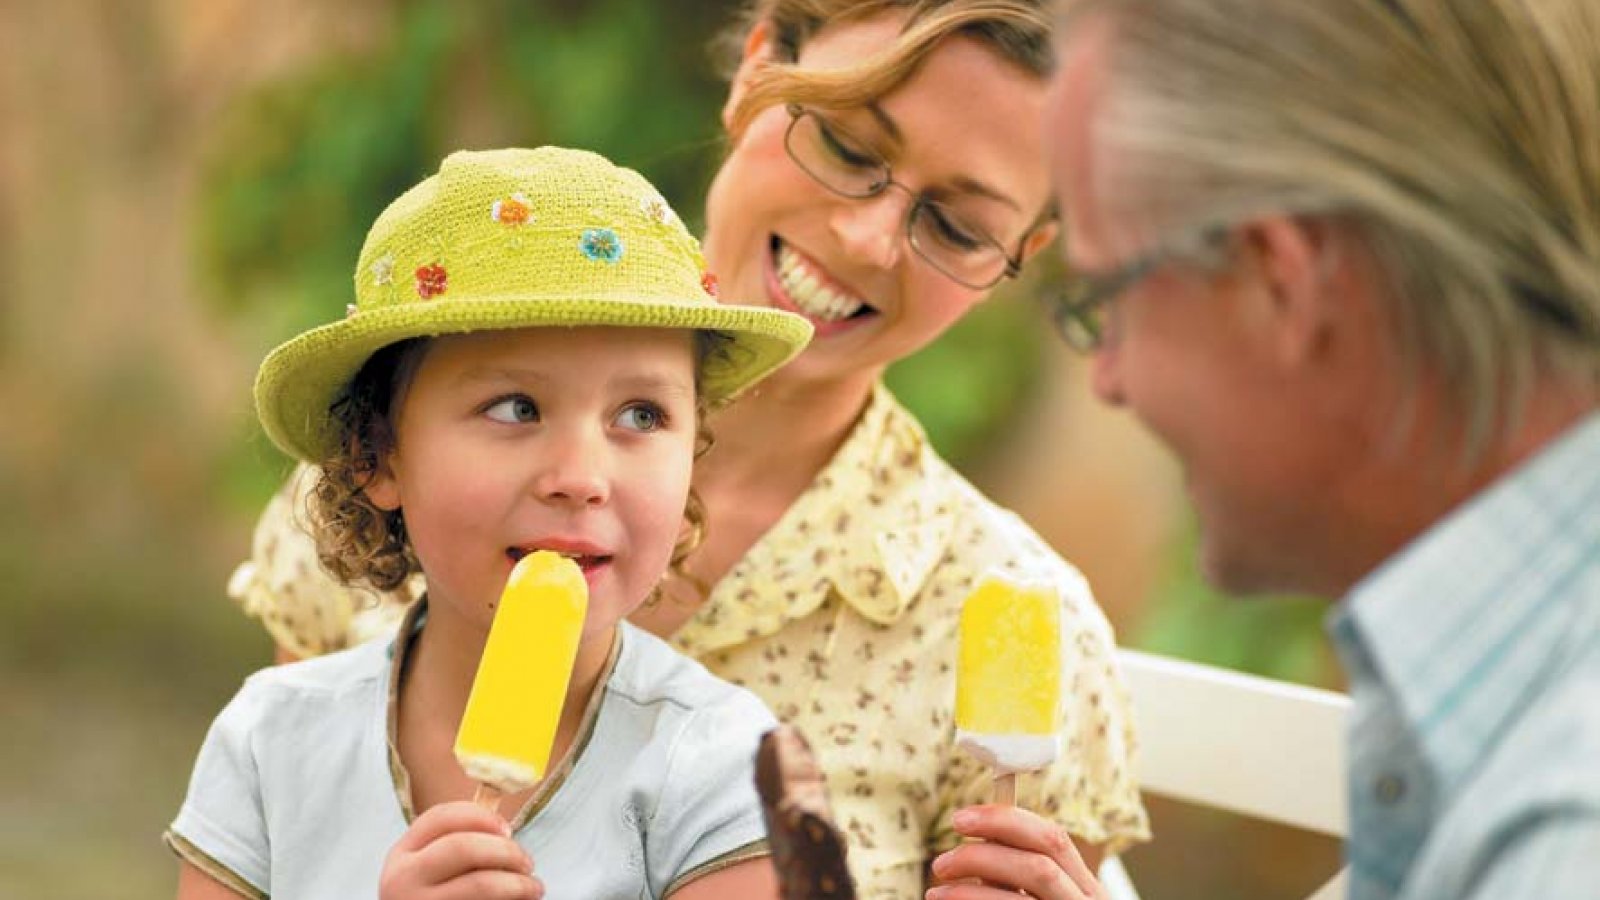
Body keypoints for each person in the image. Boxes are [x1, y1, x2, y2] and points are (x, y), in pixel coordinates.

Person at [228, 2, 1150, 897]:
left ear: (1019, 253)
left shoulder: (1002, 609)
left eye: (957, 225)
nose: (870, 240)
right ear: (755, 69)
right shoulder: (390, 471)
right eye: (848, 147)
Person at [1047, 1, 1600, 898]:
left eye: (1107, 297)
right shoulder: (1503, 705)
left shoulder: (1563, 829)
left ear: (1280, 278)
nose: (1108, 379)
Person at [167, 146, 816, 900]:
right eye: (516, 407)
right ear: (379, 456)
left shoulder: (727, 766)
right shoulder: (270, 743)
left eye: (642, 415)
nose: (580, 478)